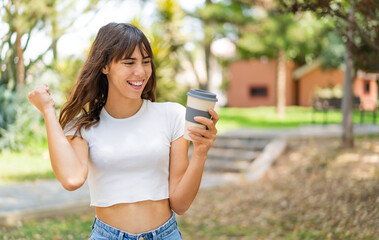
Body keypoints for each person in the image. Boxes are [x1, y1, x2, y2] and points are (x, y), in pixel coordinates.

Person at [27, 22, 219, 240]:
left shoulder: (172, 116)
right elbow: (71, 179)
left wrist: (201, 153)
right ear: (104, 66)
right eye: (129, 62)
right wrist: (48, 110)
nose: (140, 72)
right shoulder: (84, 126)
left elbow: (180, 204)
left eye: (146, 62)